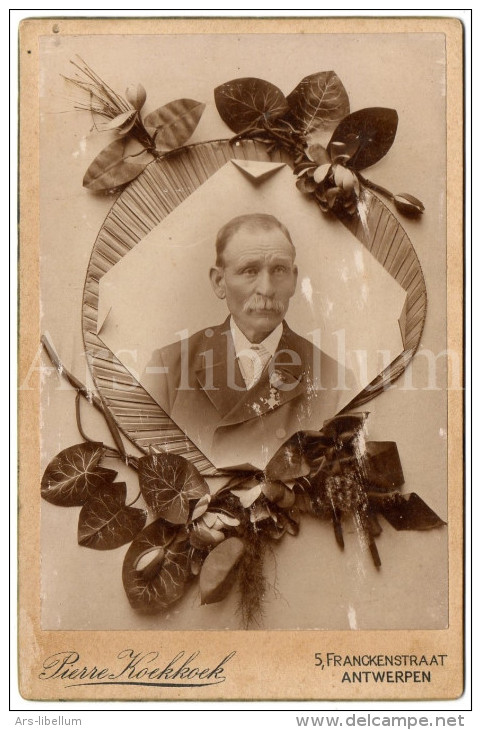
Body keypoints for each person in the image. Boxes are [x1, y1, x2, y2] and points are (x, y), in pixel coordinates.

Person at [143, 213, 354, 469]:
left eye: (279, 270)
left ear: (294, 280)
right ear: (219, 282)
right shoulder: (167, 369)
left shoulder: (335, 381)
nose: (266, 288)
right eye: (249, 271)